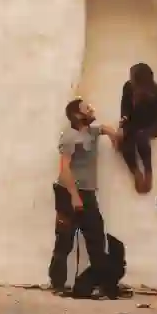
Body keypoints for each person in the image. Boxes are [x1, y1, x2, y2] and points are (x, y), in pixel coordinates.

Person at [49, 98, 120, 298]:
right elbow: (64, 170)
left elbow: (104, 128)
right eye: (87, 108)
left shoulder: (90, 131)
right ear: (78, 115)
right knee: (64, 240)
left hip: (87, 193)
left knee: (96, 239)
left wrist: (114, 135)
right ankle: (57, 284)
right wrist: (74, 196)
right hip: (68, 193)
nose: (91, 109)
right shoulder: (70, 137)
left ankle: (101, 284)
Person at [117, 63, 157, 194]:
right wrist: (123, 122)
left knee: (141, 138)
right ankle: (136, 172)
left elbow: (155, 116)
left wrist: (145, 130)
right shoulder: (128, 87)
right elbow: (125, 108)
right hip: (132, 121)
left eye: (133, 79)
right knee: (124, 140)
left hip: (149, 123)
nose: (130, 80)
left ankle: (148, 170)